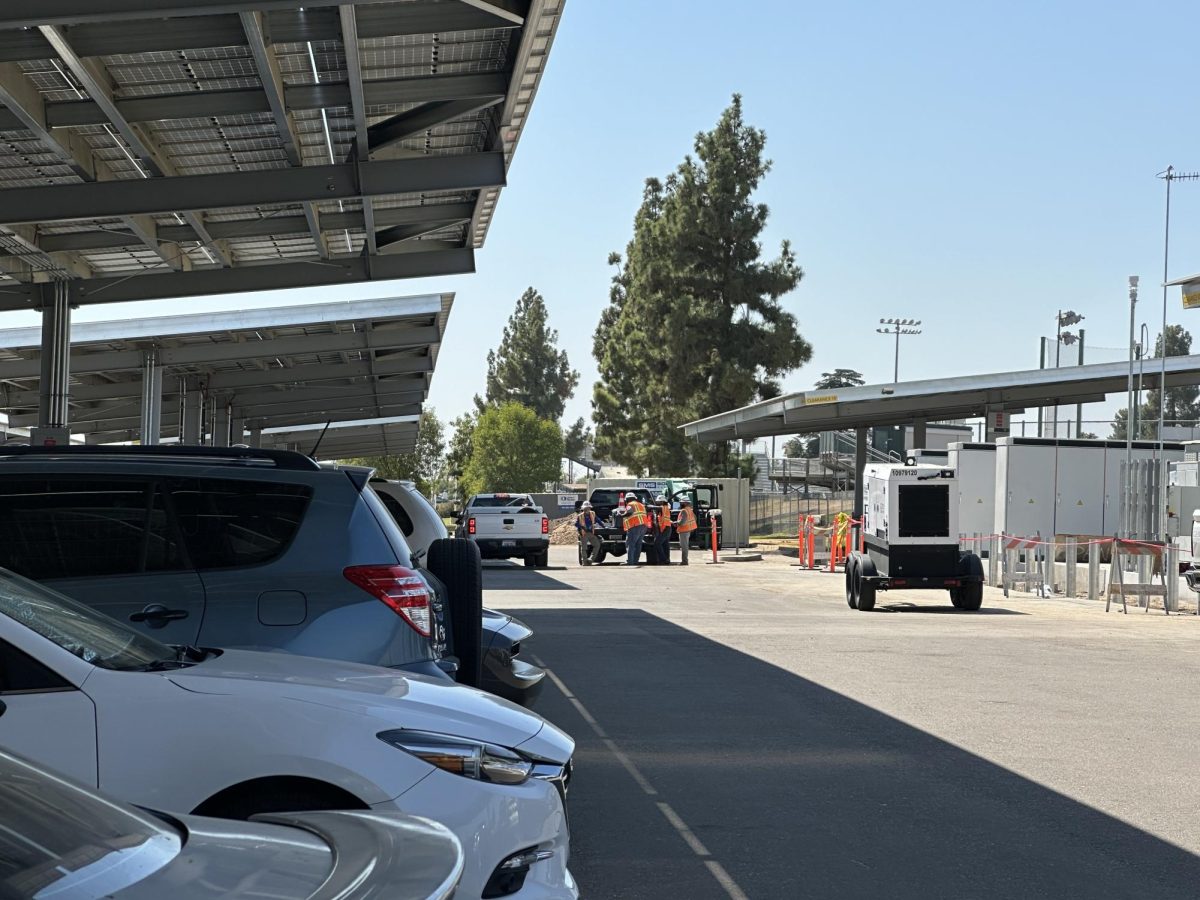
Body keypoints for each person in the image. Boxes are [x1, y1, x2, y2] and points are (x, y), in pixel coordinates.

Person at [622, 492, 649, 566]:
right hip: (643, 526)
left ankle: (630, 561)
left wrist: (621, 515)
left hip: (635, 526)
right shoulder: (641, 505)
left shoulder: (630, 505)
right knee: (638, 544)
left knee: (630, 544)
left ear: (627, 499)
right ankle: (635, 561)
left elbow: (629, 512)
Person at [675, 497, 698, 565]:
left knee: (684, 546)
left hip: (684, 531)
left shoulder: (684, 511)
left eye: (681, 502)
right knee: (685, 546)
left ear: (684, 503)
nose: (680, 503)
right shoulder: (689, 510)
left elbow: (682, 522)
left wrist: (676, 522)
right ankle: (685, 560)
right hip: (688, 530)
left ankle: (684, 561)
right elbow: (695, 518)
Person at [576, 501, 600, 566]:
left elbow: (598, 520)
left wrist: (604, 527)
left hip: (591, 533)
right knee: (584, 548)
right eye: (586, 508)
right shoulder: (580, 516)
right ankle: (585, 562)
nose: (587, 509)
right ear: (583, 509)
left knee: (597, 545)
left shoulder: (592, 514)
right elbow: (576, 524)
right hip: (584, 534)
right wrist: (582, 528)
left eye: (588, 508)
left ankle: (590, 560)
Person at [653, 494, 672, 565]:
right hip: (664, 529)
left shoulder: (665, 507)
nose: (657, 503)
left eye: (658, 502)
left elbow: (658, 508)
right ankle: (667, 559)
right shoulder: (662, 509)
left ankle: (663, 559)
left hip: (666, 529)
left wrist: (648, 507)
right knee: (665, 545)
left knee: (657, 543)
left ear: (662, 502)